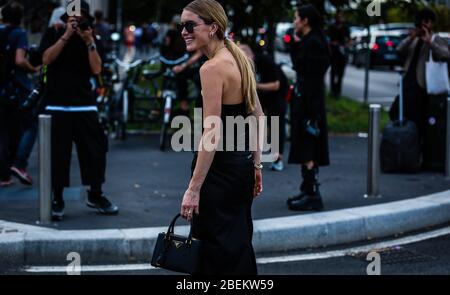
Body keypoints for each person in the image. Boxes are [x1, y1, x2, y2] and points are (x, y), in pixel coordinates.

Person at [179, 0, 264, 275]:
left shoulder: (212, 68)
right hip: (240, 168)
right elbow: (258, 117)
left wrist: (193, 189)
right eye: (182, 25)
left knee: (213, 252)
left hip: (218, 173)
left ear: (212, 27)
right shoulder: (239, 58)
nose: (184, 31)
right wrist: (256, 165)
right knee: (238, 244)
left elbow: (212, 134)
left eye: (190, 25)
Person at [39, 0, 119, 221]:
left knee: (95, 150)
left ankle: (95, 193)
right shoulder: (54, 33)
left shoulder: (90, 37)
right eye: (73, 18)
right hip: (56, 103)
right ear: (66, 18)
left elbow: (96, 69)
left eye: (81, 17)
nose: (77, 21)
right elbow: (46, 60)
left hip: (84, 103)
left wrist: (89, 41)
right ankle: (57, 198)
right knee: (58, 155)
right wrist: (65, 35)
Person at [287, 5, 330, 212]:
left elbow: (312, 77)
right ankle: (308, 190)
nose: (294, 21)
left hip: (309, 104)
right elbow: (299, 66)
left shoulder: (315, 43)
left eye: (296, 18)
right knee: (305, 147)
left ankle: (313, 195)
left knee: (308, 148)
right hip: (306, 101)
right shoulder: (309, 40)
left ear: (305, 20)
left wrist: (311, 114)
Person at [395, 8, 450, 150]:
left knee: (419, 122)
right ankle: (405, 148)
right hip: (407, 84)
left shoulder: (436, 39)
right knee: (397, 113)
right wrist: (411, 37)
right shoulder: (414, 39)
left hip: (422, 86)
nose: (426, 25)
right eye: (423, 21)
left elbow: (445, 55)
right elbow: (399, 50)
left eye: (428, 22)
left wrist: (430, 41)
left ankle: (418, 150)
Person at [0, 1, 40, 187]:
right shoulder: (19, 34)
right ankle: (19, 164)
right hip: (16, 88)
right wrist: (33, 68)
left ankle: (3, 175)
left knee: (3, 131)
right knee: (30, 125)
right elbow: (19, 60)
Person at [239, 44, 288, 172]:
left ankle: (278, 158)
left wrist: (255, 85)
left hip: (277, 93)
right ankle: (251, 155)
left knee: (275, 123)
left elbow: (276, 85)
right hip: (260, 94)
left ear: (251, 56)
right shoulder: (241, 66)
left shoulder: (265, 60)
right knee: (253, 121)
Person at [327, 11, 350, 99]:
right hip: (334, 53)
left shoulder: (345, 28)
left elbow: (348, 39)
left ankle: (338, 91)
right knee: (333, 72)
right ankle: (333, 90)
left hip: (342, 53)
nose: (340, 18)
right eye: (339, 16)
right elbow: (328, 40)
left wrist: (345, 45)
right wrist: (333, 44)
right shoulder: (332, 27)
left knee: (340, 73)